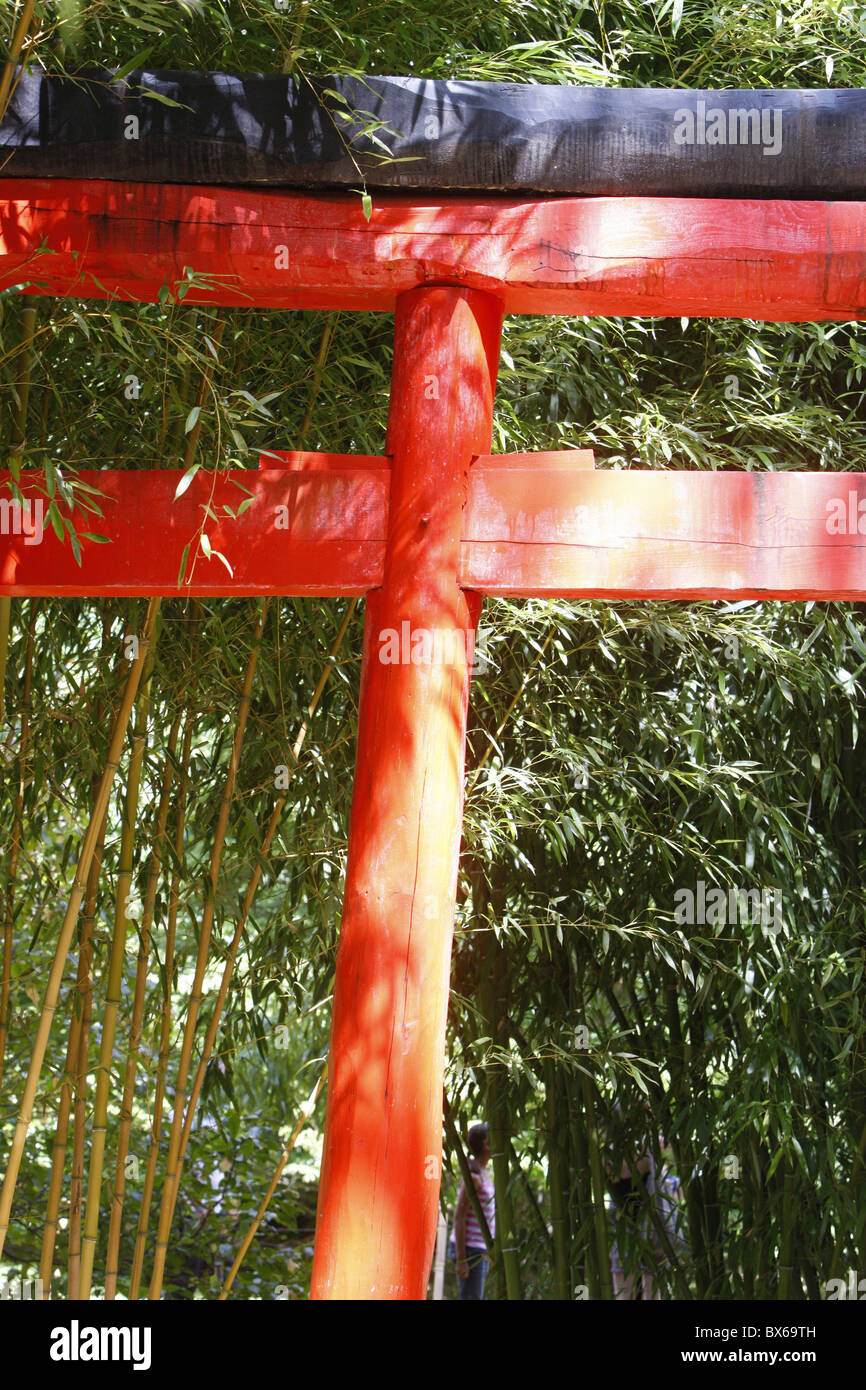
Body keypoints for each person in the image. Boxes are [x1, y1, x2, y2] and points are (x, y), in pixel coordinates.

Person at [453, 1122, 495, 1300]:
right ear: (486, 1143)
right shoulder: (474, 1178)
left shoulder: (483, 1172)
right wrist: (462, 1258)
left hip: (479, 1249)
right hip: (470, 1250)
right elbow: (459, 1217)